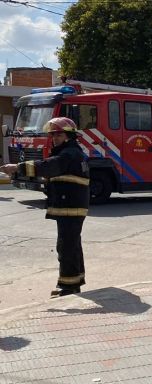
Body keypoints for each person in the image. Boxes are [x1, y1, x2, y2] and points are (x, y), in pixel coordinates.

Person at [0, 117, 89, 297]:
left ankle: (69, 287)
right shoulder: (71, 152)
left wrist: (18, 167)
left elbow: (48, 166)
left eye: (58, 134)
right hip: (70, 205)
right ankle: (74, 282)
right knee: (72, 245)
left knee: (66, 246)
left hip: (69, 206)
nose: (54, 138)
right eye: (52, 135)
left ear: (69, 135)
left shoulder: (68, 154)